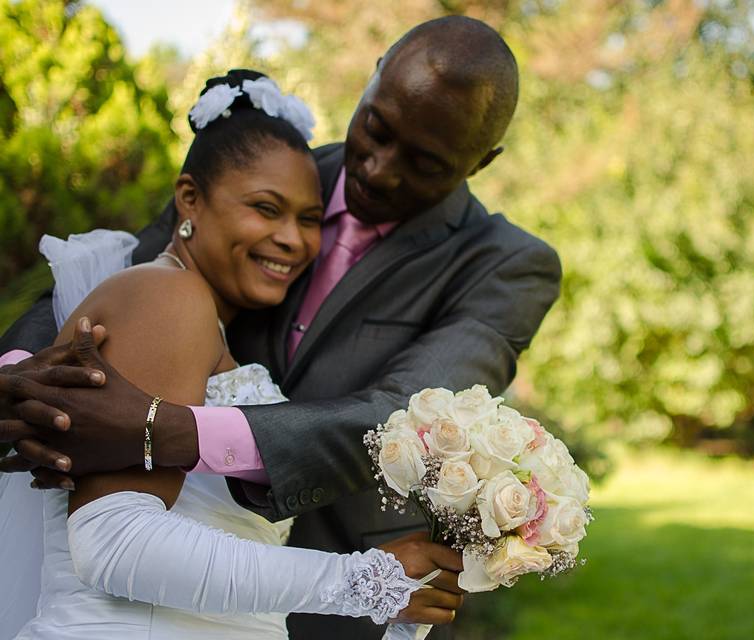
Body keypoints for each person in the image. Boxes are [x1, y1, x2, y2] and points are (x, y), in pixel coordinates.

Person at [0, 15, 562, 640]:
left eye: (426, 164)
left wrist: (169, 430)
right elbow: (123, 276)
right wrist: (20, 377)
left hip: (352, 597)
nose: (377, 169)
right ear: (373, 76)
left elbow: (405, 415)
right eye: (374, 129)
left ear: (481, 162)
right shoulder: (269, 165)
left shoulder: (505, 263)